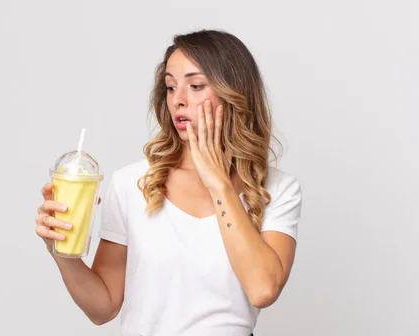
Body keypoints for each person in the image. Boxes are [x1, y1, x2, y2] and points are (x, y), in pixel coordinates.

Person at [35, 29, 303, 336]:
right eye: (171, 87)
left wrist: (218, 182)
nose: (178, 100)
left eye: (196, 85)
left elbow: (263, 290)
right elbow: (103, 307)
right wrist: (60, 250)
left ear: (235, 93)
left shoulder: (278, 189)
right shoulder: (133, 183)